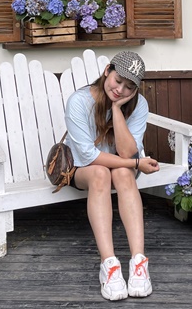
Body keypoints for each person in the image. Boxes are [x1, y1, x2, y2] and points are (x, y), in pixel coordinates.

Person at [64, 50, 160, 301]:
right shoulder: (78, 102)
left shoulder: (138, 105)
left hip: (120, 168)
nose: (120, 90)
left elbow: (127, 151)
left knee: (123, 172)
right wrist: (136, 162)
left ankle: (139, 263)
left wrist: (117, 110)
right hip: (84, 170)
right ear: (107, 70)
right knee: (100, 173)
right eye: (118, 81)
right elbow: (89, 157)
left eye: (129, 87)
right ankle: (109, 265)